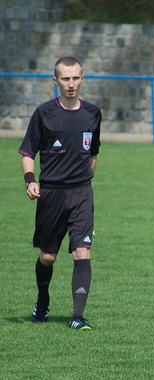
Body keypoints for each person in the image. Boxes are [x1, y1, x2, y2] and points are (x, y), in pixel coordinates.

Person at [19, 56, 101, 330]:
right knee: (48, 257)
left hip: (81, 194)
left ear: (82, 78)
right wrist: (30, 181)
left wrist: (85, 179)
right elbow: (28, 153)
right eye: (65, 78)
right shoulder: (44, 113)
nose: (71, 84)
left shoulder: (92, 112)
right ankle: (42, 299)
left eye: (76, 78)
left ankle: (78, 317)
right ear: (55, 81)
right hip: (51, 194)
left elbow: (93, 153)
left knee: (82, 252)